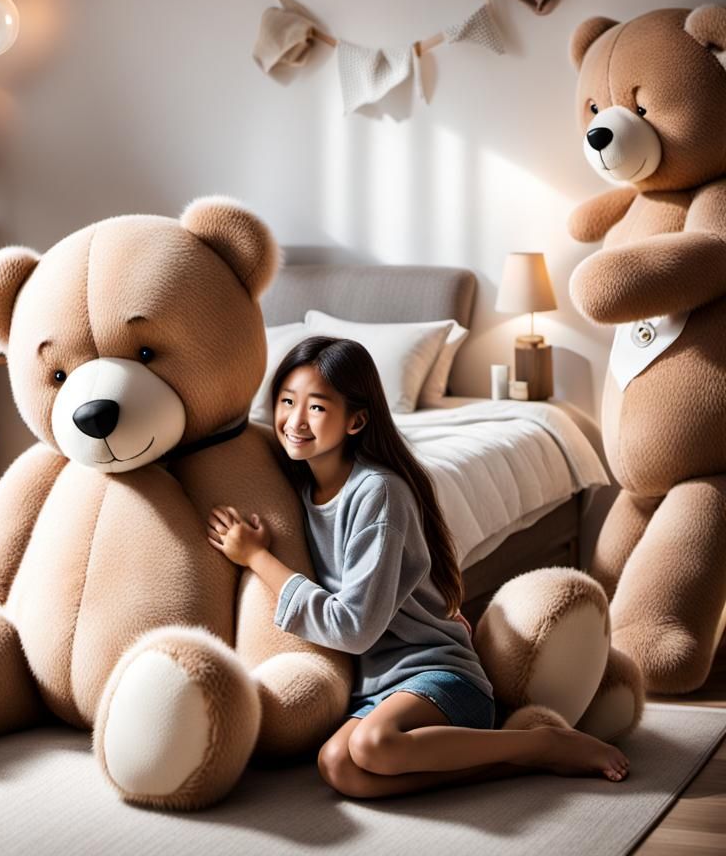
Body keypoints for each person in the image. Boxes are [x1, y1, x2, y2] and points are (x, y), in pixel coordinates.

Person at [208, 336, 629, 798]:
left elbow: (353, 628)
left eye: (317, 407)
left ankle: (541, 742)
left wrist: (257, 557)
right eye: (287, 401)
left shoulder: (378, 493)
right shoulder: (301, 486)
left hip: (437, 675)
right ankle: (518, 759)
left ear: (356, 420)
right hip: (373, 688)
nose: (295, 421)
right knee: (339, 767)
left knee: (371, 745)